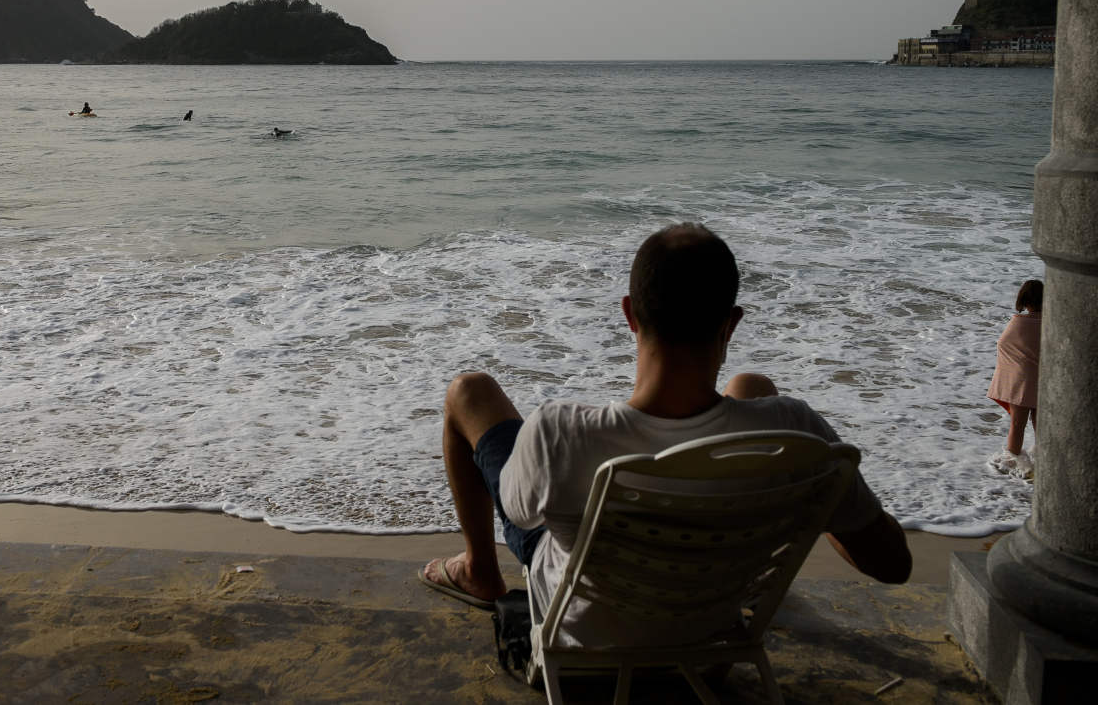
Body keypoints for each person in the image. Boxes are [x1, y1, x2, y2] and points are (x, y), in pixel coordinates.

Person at [420, 223, 911, 644]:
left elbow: (520, 515)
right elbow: (893, 565)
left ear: (629, 314)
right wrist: (812, 489)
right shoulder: (796, 432)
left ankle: (479, 570)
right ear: (731, 324)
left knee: (470, 391)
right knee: (752, 388)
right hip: (709, 630)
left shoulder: (561, 433)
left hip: (585, 637)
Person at [987, 279, 1043, 478]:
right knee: (1041, 425)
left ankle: (1012, 466)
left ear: (1024, 300)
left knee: (1017, 425)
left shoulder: (1019, 321)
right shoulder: (1053, 322)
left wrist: (1020, 364)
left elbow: (1003, 344)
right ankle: (1046, 462)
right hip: (1045, 380)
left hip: (1022, 381)